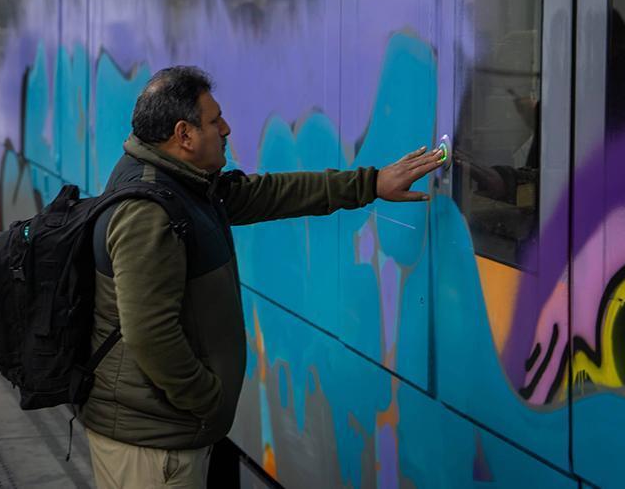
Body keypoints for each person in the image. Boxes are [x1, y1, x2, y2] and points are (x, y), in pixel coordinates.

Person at [81, 66, 444, 488]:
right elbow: (148, 334)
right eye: (215, 121)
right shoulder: (148, 212)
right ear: (185, 135)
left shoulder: (181, 183)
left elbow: (268, 193)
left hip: (161, 433)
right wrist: (206, 401)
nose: (226, 128)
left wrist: (371, 183)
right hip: (151, 445)